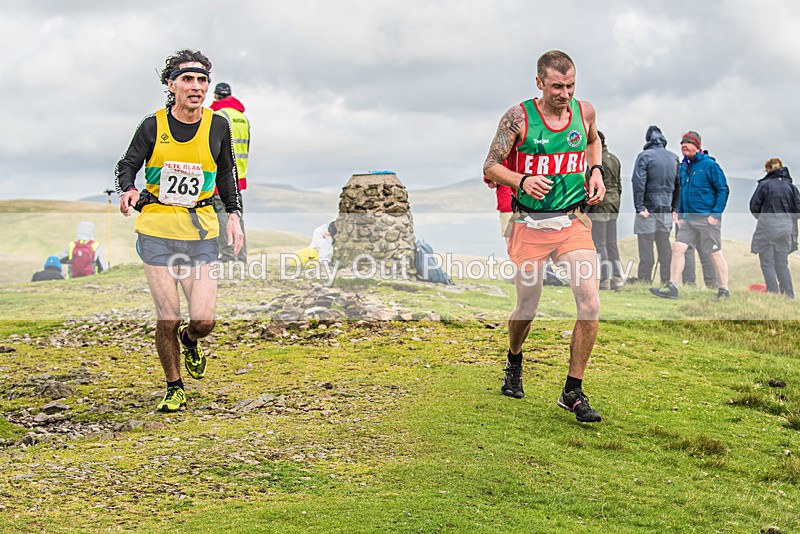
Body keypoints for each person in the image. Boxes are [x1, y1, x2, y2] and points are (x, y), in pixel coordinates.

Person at [115, 49, 244, 413]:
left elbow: (225, 174)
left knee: (204, 320)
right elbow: (127, 165)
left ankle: (191, 340)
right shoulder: (152, 125)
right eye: (188, 79)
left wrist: (233, 215)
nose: (197, 86)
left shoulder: (218, 126)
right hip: (156, 229)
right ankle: (174, 385)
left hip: (200, 232)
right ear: (171, 85)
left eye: (202, 80)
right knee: (167, 316)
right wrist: (128, 189)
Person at [483, 50, 605, 423]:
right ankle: (514, 360)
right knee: (527, 307)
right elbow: (490, 165)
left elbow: (592, 140)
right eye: (557, 86)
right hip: (530, 226)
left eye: (570, 86)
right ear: (539, 83)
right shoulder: (518, 117)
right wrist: (522, 180)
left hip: (571, 224)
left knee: (590, 303)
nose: (564, 93)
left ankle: (573, 391)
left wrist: (595, 170)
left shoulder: (584, 112)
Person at [650, 131, 730, 301]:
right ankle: (672, 287)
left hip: (707, 218)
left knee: (714, 253)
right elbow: (683, 191)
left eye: (688, 143)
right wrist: (680, 214)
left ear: (697, 146)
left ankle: (724, 290)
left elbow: (723, 189)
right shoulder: (684, 167)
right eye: (682, 143)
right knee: (678, 248)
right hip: (688, 219)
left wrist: (715, 214)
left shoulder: (709, 165)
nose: (684, 145)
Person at [631, 125, 680, 285]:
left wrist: (639, 206)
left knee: (646, 249)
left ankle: (644, 281)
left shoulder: (644, 156)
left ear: (647, 140)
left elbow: (638, 182)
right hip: (666, 210)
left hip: (648, 209)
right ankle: (666, 281)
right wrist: (675, 208)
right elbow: (679, 185)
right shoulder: (674, 158)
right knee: (664, 247)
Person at [209, 82, 250, 262]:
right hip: (238, 175)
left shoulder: (217, 115)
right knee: (237, 216)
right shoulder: (243, 118)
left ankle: (227, 256)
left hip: (221, 176)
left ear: (216, 96)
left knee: (223, 216)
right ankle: (240, 257)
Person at [749, 158, 800, 298]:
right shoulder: (791, 187)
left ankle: (772, 294)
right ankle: (788, 296)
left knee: (767, 263)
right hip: (786, 230)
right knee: (782, 265)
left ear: (767, 169)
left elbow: (754, 207)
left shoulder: (764, 185)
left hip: (767, 229)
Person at [586, 131, 623, 290]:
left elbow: (590, 186)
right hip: (614, 204)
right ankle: (616, 277)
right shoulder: (615, 159)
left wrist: (586, 209)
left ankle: (604, 279)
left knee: (599, 242)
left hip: (600, 205)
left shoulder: (596, 162)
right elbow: (619, 185)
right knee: (611, 241)